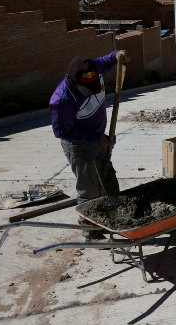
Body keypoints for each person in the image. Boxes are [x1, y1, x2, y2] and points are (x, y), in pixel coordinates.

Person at [49, 49, 129, 240]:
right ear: (72, 80)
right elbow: (62, 132)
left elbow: (109, 59)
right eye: (87, 89)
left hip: (99, 139)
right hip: (79, 147)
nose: (92, 91)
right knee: (89, 189)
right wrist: (95, 137)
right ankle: (91, 231)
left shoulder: (92, 69)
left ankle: (109, 218)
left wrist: (120, 54)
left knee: (105, 179)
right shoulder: (62, 100)